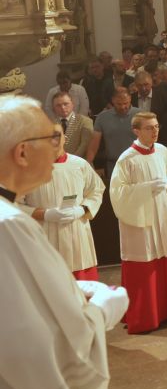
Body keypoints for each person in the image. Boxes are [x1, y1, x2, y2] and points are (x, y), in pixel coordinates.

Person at [0, 96, 127, 389]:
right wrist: (101, 310)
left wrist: (68, 291)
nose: (59, 146)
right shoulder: (9, 227)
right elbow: (32, 343)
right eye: (51, 138)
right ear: (22, 152)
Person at [109, 110, 167, 334]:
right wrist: (147, 188)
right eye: (149, 128)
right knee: (144, 264)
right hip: (141, 220)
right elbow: (117, 193)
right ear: (136, 131)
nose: (155, 131)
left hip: (162, 214)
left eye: (156, 127)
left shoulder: (162, 151)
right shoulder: (127, 158)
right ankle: (145, 317)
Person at [19, 119, 106, 280]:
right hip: (44, 236)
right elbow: (12, 205)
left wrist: (82, 209)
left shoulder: (80, 164)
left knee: (83, 287)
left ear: (64, 138)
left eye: (56, 136)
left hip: (77, 236)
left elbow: (96, 190)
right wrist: (45, 214)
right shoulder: (26, 169)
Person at [95, 86, 141, 179]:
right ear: (113, 101)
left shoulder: (141, 115)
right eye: (119, 104)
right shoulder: (102, 117)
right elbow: (94, 144)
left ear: (130, 98)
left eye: (125, 103)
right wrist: (89, 163)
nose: (123, 107)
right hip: (114, 165)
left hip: (138, 163)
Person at [51, 90, 101, 164]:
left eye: (65, 104)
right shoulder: (50, 125)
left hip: (80, 165)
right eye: (58, 105)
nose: (62, 107)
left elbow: (85, 145)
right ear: (53, 108)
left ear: (72, 104)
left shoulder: (85, 121)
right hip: (58, 166)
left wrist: (69, 162)